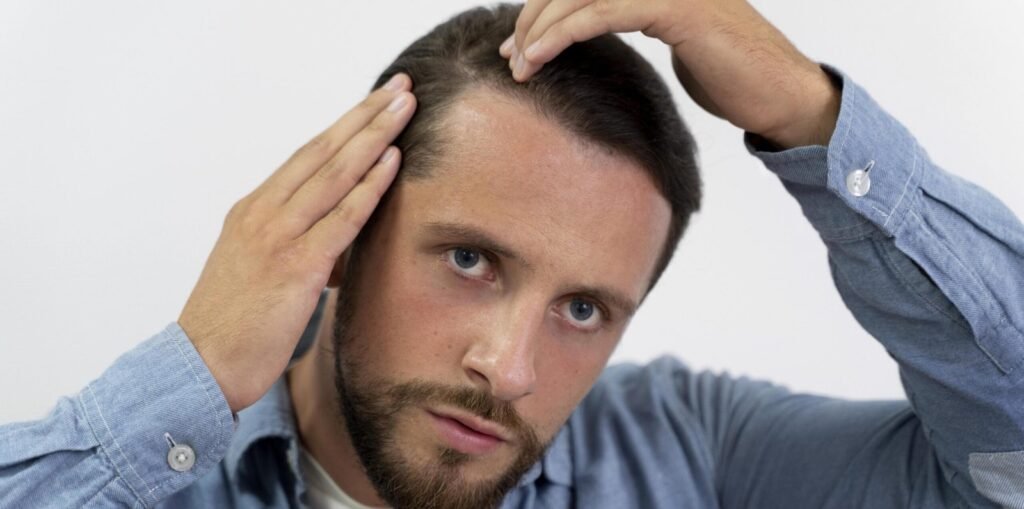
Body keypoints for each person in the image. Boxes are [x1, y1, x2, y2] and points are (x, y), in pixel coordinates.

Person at [1, 1, 1022, 507]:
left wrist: (814, 117)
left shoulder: (691, 450)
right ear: (345, 229)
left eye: (583, 308)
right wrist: (199, 371)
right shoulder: (144, 468)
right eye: (471, 260)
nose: (511, 366)